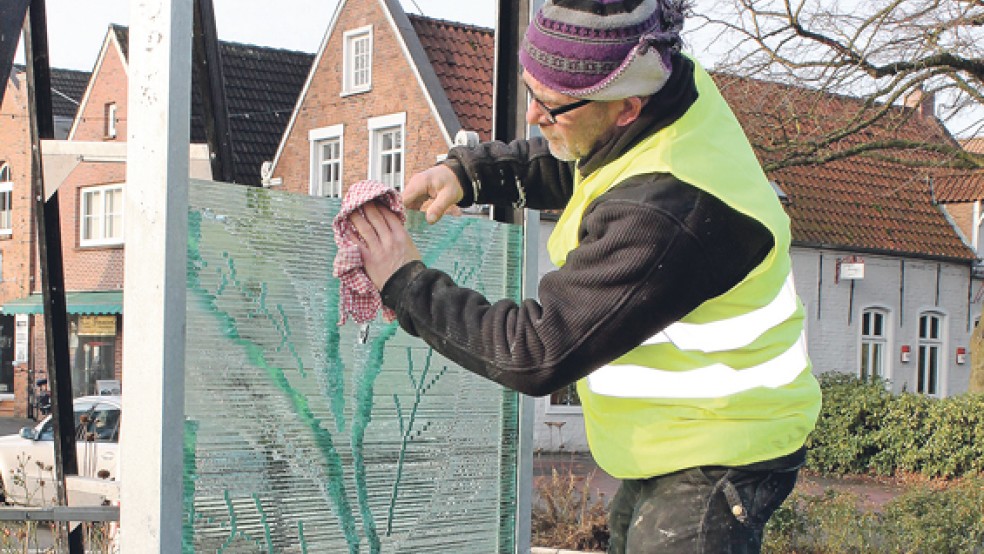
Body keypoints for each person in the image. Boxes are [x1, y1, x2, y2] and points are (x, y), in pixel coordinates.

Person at [349, 0, 822, 551]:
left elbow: (535, 350)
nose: (532, 117)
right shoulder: (665, 96)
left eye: (552, 107)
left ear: (627, 107)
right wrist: (470, 174)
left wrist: (405, 283)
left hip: (720, 450)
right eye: (530, 92)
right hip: (677, 436)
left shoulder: (669, 210)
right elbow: (584, 155)